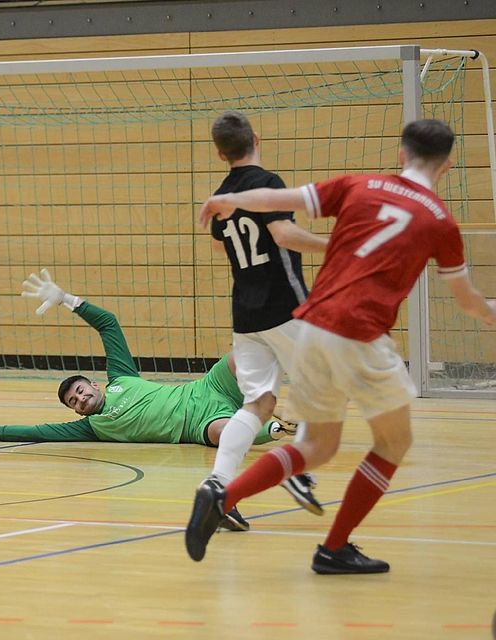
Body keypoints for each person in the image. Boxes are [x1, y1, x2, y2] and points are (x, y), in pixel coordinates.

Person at [186, 119, 496, 573]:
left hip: (310, 324)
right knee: (393, 442)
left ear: (400, 153)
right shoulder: (440, 221)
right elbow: (468, 300)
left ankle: (221, 494)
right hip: (358, 332)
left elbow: (279, 201)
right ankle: (332, 547)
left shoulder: (360, 184)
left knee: (317, 443)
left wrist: (229, 199)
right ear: (448, 164)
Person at [0, 269, 315, 530]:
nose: (79, 400)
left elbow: (109, 323)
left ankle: (308, 365)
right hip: (196, 427)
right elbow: (39, 431)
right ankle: (279, 427)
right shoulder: (93, 428)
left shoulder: (121, 377)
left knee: (241, 353)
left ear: (94, 384)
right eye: (73, 403)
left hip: (206, 389)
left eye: (80, 391)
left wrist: (66, 300)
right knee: (225, 434)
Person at [200, 111, 329, 523]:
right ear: (257, 137)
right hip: (283, 305)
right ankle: (298, 472)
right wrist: (337, 246)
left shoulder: (222, 195)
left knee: (259, 403)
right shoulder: (267, 183)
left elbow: (222, 247)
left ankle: (218, 487)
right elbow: (284, 235)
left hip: (246, 314)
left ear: (221, 154)